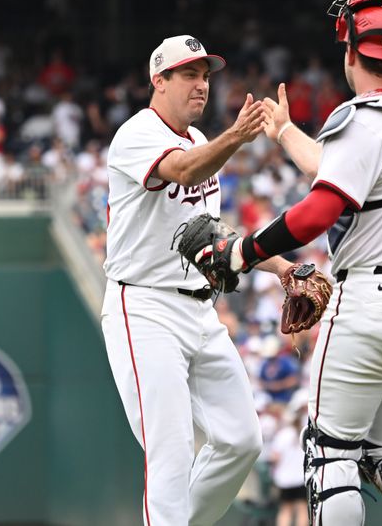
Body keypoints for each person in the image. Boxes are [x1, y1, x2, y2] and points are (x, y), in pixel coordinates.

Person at [185, 0, 382, 524]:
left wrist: (245, 252)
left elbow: (321, 209)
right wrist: (286, 132)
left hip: (375, 301)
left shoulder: (361, 116)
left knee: (329, 449)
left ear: (351, 52)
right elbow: (343, 175)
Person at [100, 35, 295, 526]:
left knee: (241, 440)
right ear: (158, 80)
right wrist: (237, 136)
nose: (201, 85)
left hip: (198, 309)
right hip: (143, 308)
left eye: (206, 75)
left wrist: (280, 265)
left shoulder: (203, 143)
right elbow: (181, 172)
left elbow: (213, 238)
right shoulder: (137, 133)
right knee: (170, 448)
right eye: (189, 74)